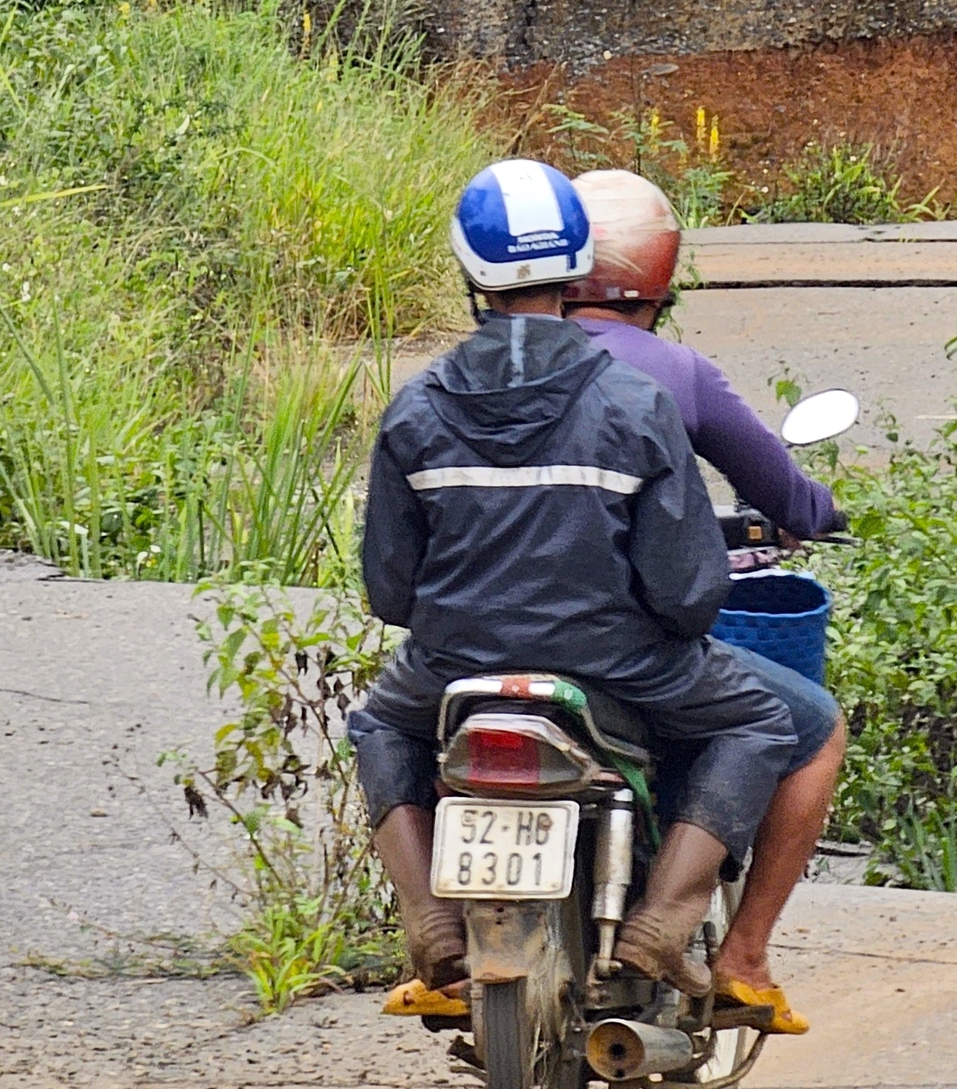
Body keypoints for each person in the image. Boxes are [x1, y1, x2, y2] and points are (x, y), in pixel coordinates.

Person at [350, 160, 796, 1025]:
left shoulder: (415, 410)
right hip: (623, 669)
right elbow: (689, 592)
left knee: (377, 723)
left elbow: (390, 590)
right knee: (759, 720)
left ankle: (429, 921)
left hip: (452, 669)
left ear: (468, 274)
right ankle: (665, 923)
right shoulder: (634, 402)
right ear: (577, 264)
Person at [563, 169, 841, 1036]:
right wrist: (820, 513)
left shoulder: (483, 373)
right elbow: (784, 497)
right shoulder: (678, 375)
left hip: (479, 642)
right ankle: (743, 955)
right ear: (661, 281)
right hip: (629, 649)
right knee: (808, 725)